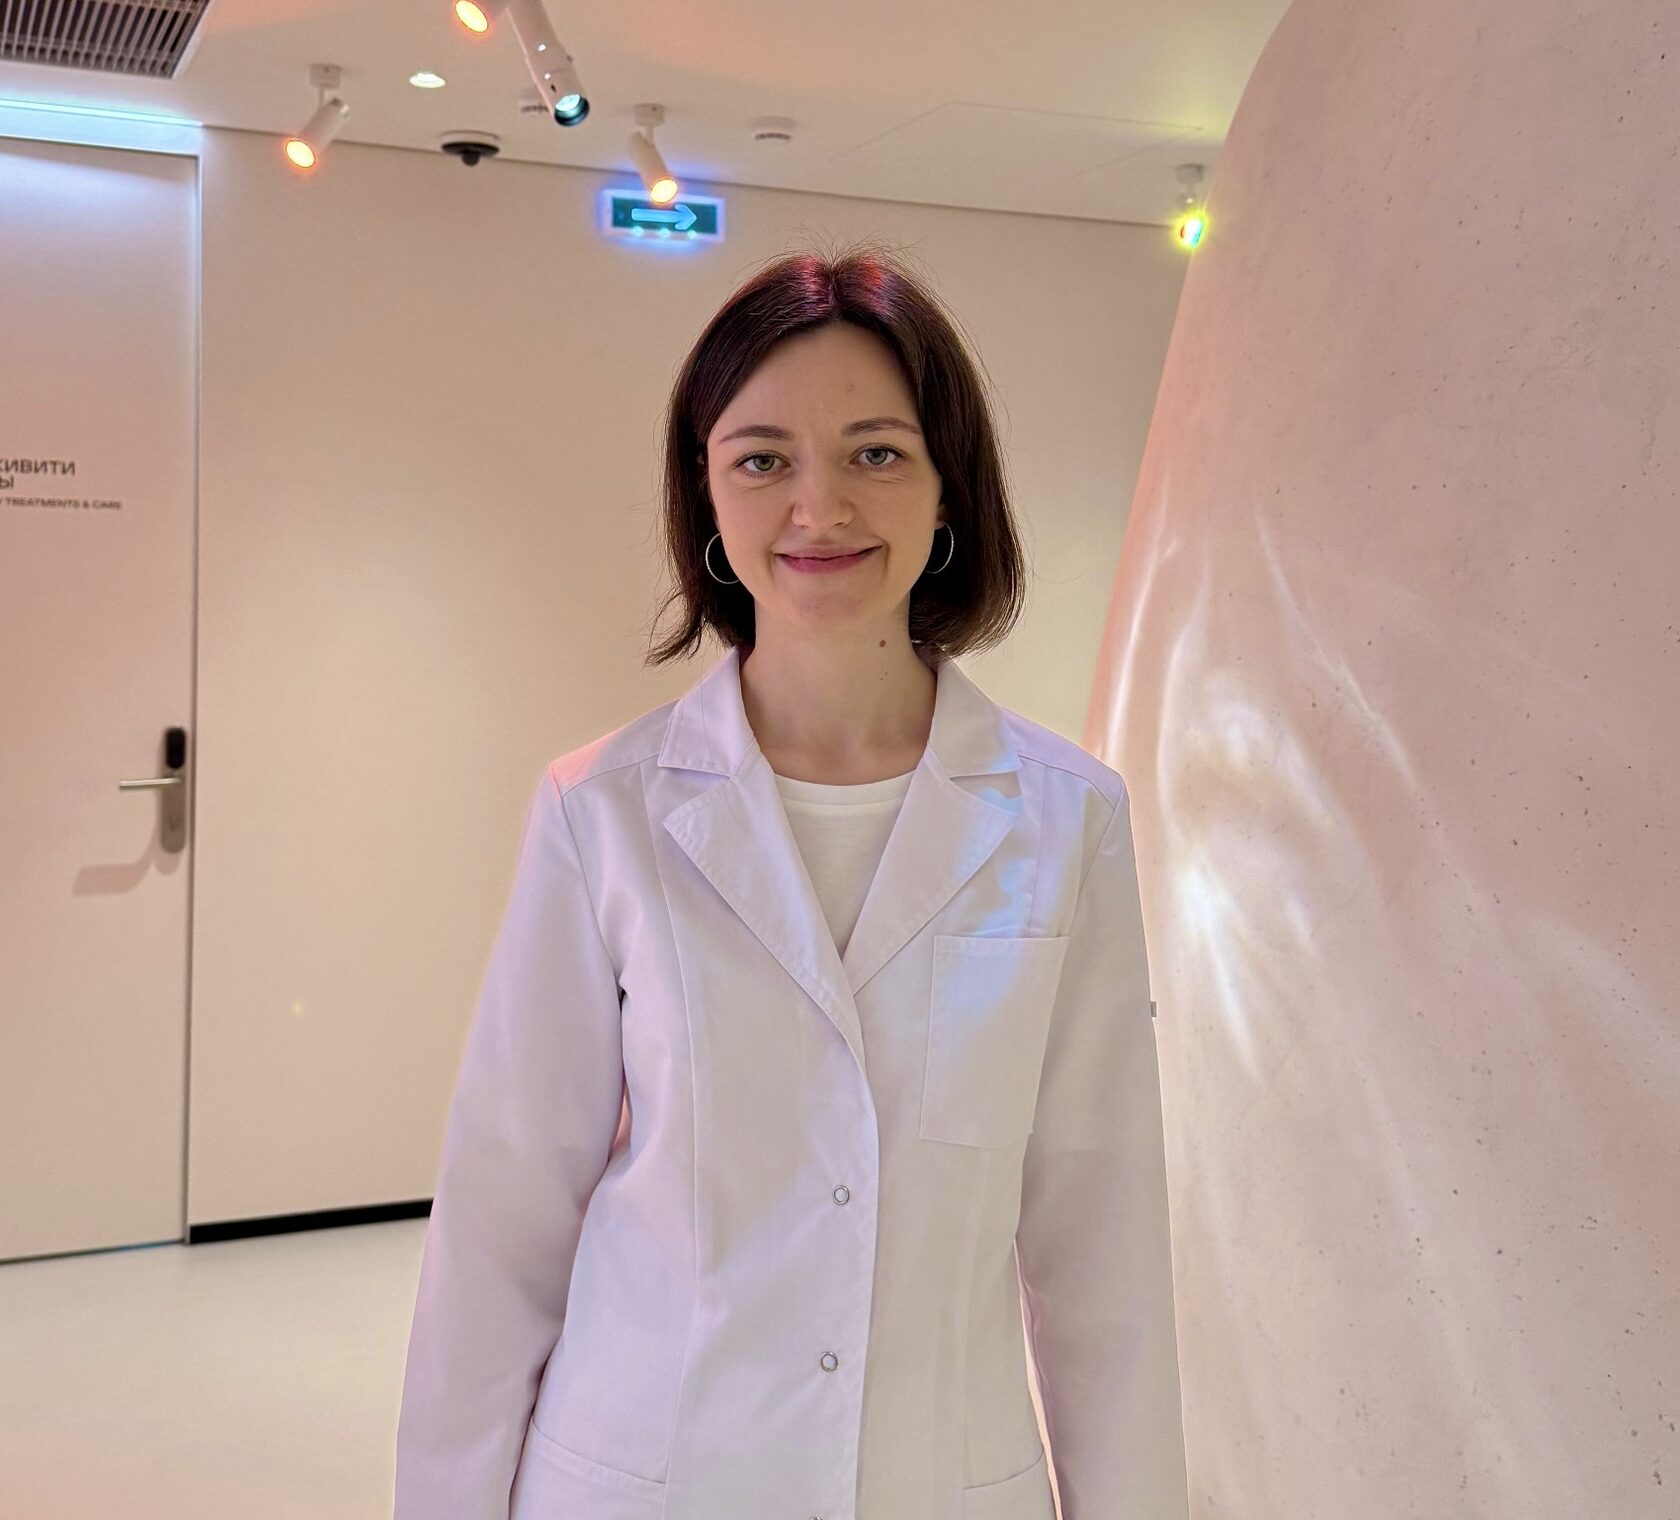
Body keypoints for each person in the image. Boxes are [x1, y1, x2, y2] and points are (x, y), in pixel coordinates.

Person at [392, 239, 1188, 1520]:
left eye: (877, 453)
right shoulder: (603, 814)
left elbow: (1102, 1249)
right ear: (706, 494)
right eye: (762, 460)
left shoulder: (1066, 821)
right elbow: (502, 1226)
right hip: (649, 1482)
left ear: (948, 487)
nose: (819, 509)